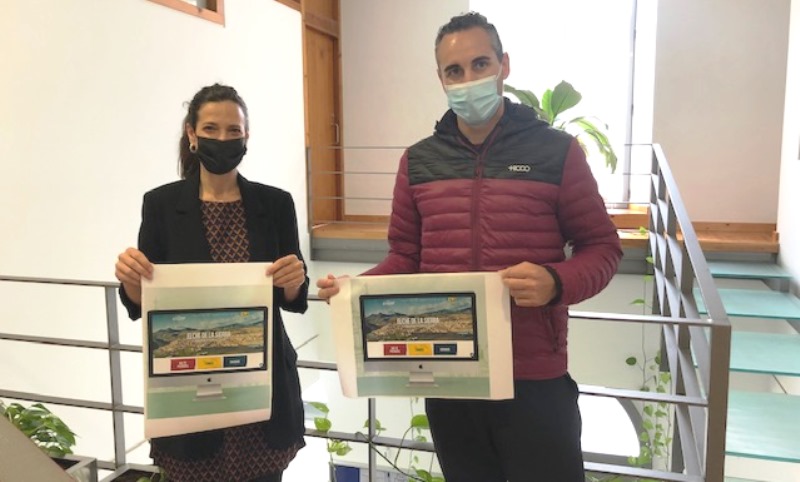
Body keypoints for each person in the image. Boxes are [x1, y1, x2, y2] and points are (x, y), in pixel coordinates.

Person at [316, 12, 623, 482]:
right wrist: (355, 288)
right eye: (454, 71)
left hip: (534, 376)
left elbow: (602, 247)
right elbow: (405, 258)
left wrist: (556, 281)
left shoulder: (557, 152)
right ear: (441, 79)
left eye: (480, 64)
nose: (468, 80)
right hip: (450, 374)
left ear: (504, 65)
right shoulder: (418, 161)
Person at [115, 83, 308, 482]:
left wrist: (294, 279)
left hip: (261, 382)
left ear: (246, 136)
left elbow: (293, 295)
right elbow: (143, 299)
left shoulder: (276, 204)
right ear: (192, 134)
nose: (223, 139)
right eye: (211, 129)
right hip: (190, 386)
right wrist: (132, 277)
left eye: (233, 130)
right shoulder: (161, 205)